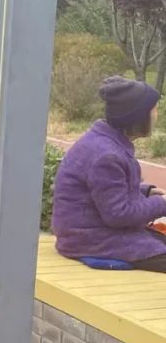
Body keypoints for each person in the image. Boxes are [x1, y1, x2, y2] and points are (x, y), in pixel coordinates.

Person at [52, 77, 166, 271]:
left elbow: (104, 191)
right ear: (137, 117)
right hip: (94, 240)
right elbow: (119, 215)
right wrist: (161, 204)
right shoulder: (107, 156)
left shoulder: (102, 142)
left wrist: (147, 192)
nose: (157, 115)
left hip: (85, 234)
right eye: (154, 109)